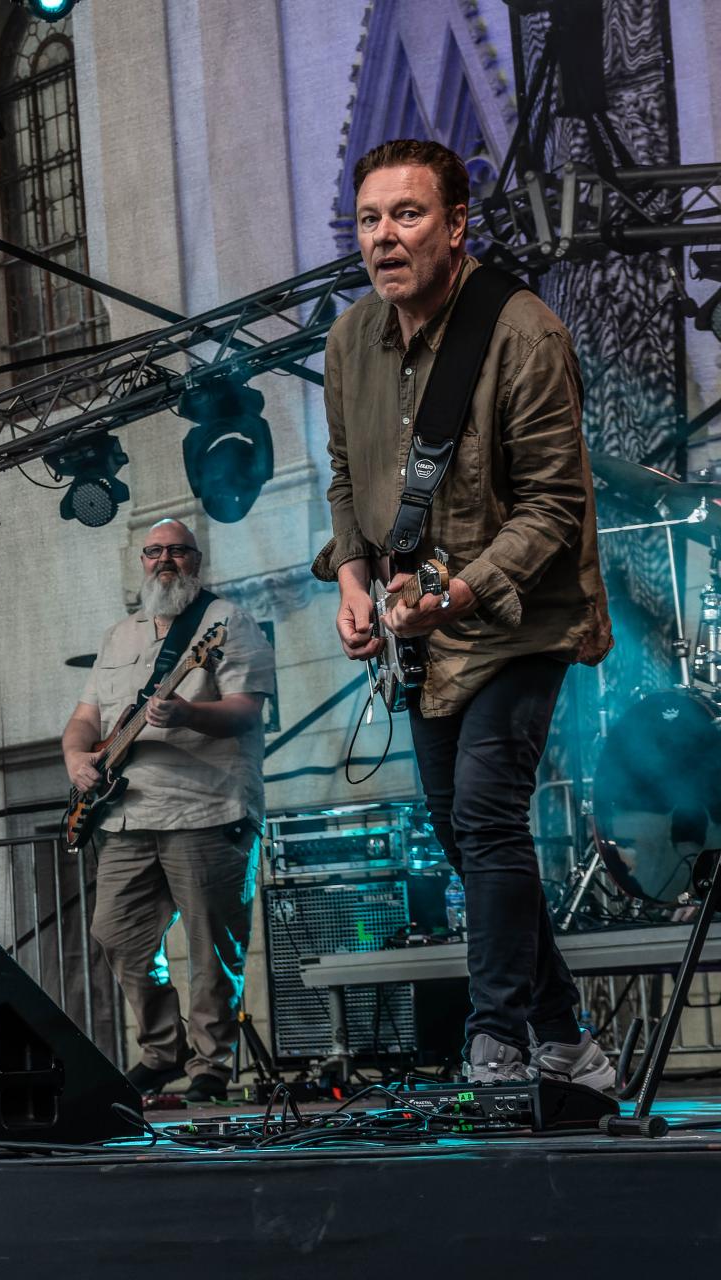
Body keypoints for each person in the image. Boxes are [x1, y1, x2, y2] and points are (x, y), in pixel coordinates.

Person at [314, 138, 615, 1088]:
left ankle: (497, 1039)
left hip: (522, 619)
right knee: (460, 830)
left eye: (407, 215)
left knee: (486, 813)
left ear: (455, 226)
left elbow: (555, 508)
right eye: (370, 219)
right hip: (421, 634)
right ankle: (567, 1035)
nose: (384, 236)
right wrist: (354, 583)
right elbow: (345, 482)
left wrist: (456, 594)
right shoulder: (349, 342)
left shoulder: (521, 332)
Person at [60, 521, 274, 1103]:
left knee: (212, 948)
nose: (165, 560)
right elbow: (86, 717)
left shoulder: (228, 621)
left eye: (177, 550)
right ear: (142, 562)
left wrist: (188, 714)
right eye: (153, 551)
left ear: (195, 560)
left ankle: (211, 1065)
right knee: (115, 933)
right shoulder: (118, 635)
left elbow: (246, 711)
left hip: (207, 809)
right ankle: (163, 1050)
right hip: (125, 815)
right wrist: (76, 756)